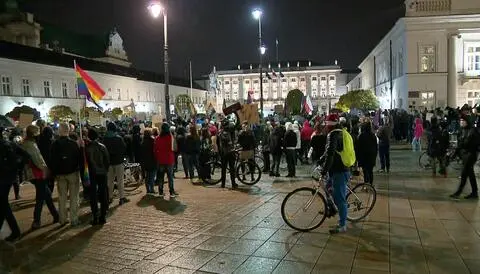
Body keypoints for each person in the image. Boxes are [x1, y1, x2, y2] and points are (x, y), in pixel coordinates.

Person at [22, 125, 59, 230]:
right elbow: (38, 160)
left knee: (47, 195)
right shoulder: (31, 145)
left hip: (34, 174)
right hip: (38, 174)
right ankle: (36, 221)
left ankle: (56, 215)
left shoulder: (26, 144)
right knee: (40, 198)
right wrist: (45, 169)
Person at [319, 114, 350, 234]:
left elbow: (330, 154)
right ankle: (332, 208)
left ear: (329, 124)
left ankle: (342, 225)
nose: (325, 126)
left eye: (326, 124)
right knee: (327, 188)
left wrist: (324, 170)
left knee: (340, 199)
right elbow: (329, 152)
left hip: (340, 170)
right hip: (338, 168)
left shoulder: (333, 134)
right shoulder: (340, 132)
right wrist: (321, 160)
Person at [50, 122, 82, 227]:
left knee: (62, 197)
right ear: (68, 130)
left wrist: (55, 172)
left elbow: (52, 160)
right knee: (74, 197)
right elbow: (78, 158)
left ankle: (62, 219)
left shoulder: (54, 144)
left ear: (59, 131)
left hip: (60, 174)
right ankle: (74, 219)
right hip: (72, 173)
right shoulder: (73, 143)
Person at [0, 127, 22, 242]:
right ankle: (15, 231)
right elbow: (25, 155)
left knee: (3, 204)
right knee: (2, 203)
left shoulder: (7, 144)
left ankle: (15, 231)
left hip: (3, 179)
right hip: (9, 178)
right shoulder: (10, 144)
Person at [450, 115, 479, 200]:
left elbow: (466, 143)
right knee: (470, 174)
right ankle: (474, 192)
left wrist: (460, 147)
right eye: (460, 120)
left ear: (467, 122)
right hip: (465, 155)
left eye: (463, 120)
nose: (461, 122)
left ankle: (458, 192)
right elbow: (460, 144)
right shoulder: (462, 130)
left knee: (464, 174)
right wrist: (455, 154)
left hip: (471, 155)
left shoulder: (472, 131)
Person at [86, 128, 110, 225]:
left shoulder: (87, 148)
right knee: (103, 193)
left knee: (93, 195)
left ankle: (95, 216)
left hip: (92, 173)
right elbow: (107, 160)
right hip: (102, 173)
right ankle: (103, 216)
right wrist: (105, 169)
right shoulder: (102, 147)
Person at [103, 122, 129, 205]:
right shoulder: (118, 138)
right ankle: (121, 198)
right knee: (120, 180)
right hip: (118, 162)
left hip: (109, 163)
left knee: (109, 181)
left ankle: (110, 197)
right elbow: (123, 148)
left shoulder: (104, 139)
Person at [154, 123, 177, 197]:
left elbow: (155, 150)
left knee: (161, 177)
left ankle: (160, 192)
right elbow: (174, 148)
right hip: (169, 159)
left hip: (161, 160)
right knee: (170, 177)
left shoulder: (157, 138)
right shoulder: (171, 137)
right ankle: (171, 192)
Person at [356, 120, 377, 185]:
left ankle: (366, 183)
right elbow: (376, 146)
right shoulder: (373, 135)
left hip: (363, 156)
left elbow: (358, 147)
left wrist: (358, 157)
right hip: (371, 156)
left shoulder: (361, 136)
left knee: (365, 171)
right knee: (370, 171)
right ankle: (371, 183)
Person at [218, 120, 237, 189]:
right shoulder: (231, 133)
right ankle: (233, 184)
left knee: (223, 169)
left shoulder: (220, 134)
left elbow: (219, 144)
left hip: (224, 153)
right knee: (232, 169)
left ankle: (223, 184)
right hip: (231, 152)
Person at [141, 128, 157, 195]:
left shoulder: (142, 142)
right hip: (152, 160)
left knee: (147, 176)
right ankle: (152, 189)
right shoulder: (153, 141)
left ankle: (148, 189)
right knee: (152, 176)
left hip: (145, 161)